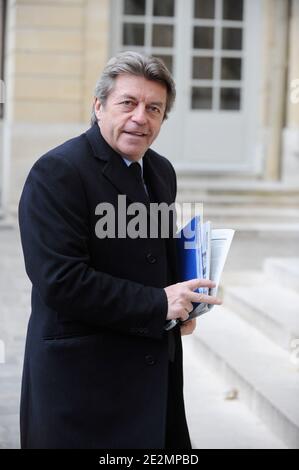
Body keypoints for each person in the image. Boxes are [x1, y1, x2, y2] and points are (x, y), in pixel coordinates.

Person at [18, 51, 221, 449]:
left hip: (150, 376)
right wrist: (157, 304)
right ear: (99, 106)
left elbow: (152, 258)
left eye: (154, 108)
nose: (140, 117)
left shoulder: (160, 170)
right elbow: (61, 281)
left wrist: (186, 304)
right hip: (83, 386)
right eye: (127, 103)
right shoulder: (57, 171)